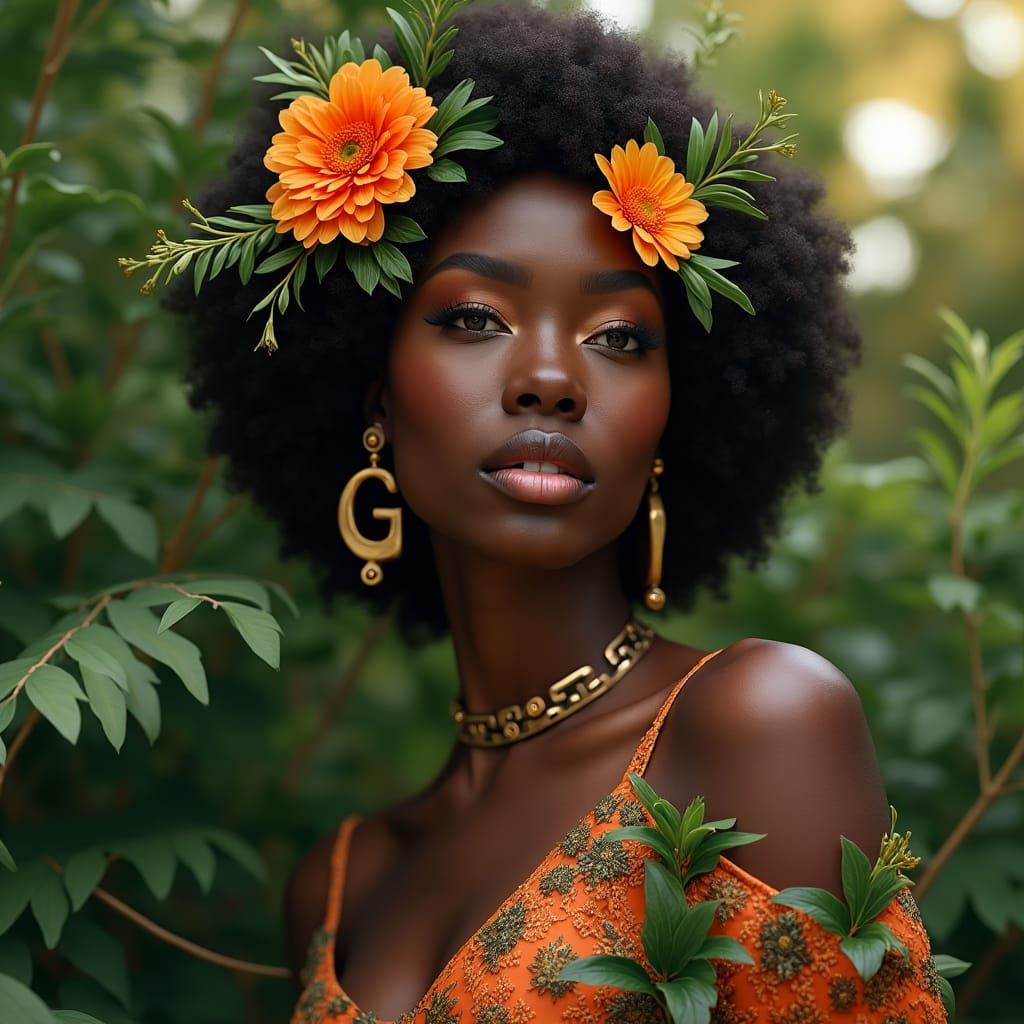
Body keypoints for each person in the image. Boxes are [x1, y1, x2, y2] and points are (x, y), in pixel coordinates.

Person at [165, 3, 947, 1021]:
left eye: (619, 337)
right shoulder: (339, 884)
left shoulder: (754, 728)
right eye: (473, 319)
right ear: (371, 393)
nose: (548, 379)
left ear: (679, 413)